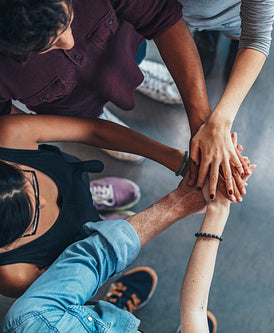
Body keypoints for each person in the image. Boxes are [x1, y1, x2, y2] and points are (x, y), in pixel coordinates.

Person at [0, 0, 248, 201]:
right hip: (71, 109)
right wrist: (179, 161)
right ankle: (104, 113)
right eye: (48, 45)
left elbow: (160, 18)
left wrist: (201, 125)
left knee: (133, 61)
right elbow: (69, 129)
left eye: (69, 19)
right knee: (85, 117)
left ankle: (138, 74)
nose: (70, 42)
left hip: (123, 46)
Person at [0, 114, 249, 298]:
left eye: (28, 181)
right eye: (31, 219)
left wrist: (180, 162)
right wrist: (179, 204)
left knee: (81, 195)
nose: (43, 200)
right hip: (77, 244)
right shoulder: (15, 274)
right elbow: (88, 267)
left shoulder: (9, 135)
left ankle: (94, 201)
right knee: (100, 239)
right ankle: (101, 227)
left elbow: (93, 130)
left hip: (73, 181)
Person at [2, 163, 253, 332]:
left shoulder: (34, 320)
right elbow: (193, 310)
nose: (42, 202)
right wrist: (217, 208)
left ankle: (113, 311)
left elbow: (194, 310)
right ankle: (114, 312)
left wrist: (215, 210)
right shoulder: (31, 319)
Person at [137, 0, 274, 197]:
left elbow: (256, 37)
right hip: (183, 18)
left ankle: (231, 45)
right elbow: (162, 16)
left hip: (233, 18)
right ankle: (207, 39)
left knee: (238, 37)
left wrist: (219, 122)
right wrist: (203, 124)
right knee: (200, 40)